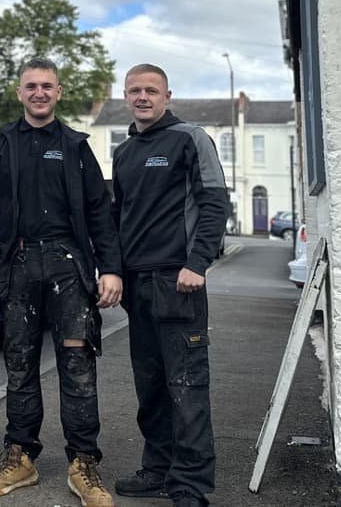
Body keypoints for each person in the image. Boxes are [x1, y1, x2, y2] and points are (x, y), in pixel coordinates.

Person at [0, 57, 123, 507]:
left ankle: (83, 463)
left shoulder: (75, 146)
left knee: (77, 365)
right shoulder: (3, 144)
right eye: (31, 85)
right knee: (20, 364)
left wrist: (109, 268)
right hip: (17, 266)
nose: (39, 92)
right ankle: (20, 457)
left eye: (47, 86)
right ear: (20, 93)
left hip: (68, 268)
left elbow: (99, 211)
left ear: (58, 93)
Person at [110, 64, 228, 507]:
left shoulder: (189, 138)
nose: (143, 97)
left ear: (167, 95)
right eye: (135, 90)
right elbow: (120, 216)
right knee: (152, 386)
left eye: (151, 90)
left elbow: (215, 201)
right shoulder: (124, 153)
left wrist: (198, 263)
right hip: (138, 285)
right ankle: (158, 470)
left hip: (178, 281)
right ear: (126, 96)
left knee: (187, 385)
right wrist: (116, 271)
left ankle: (190, 486)